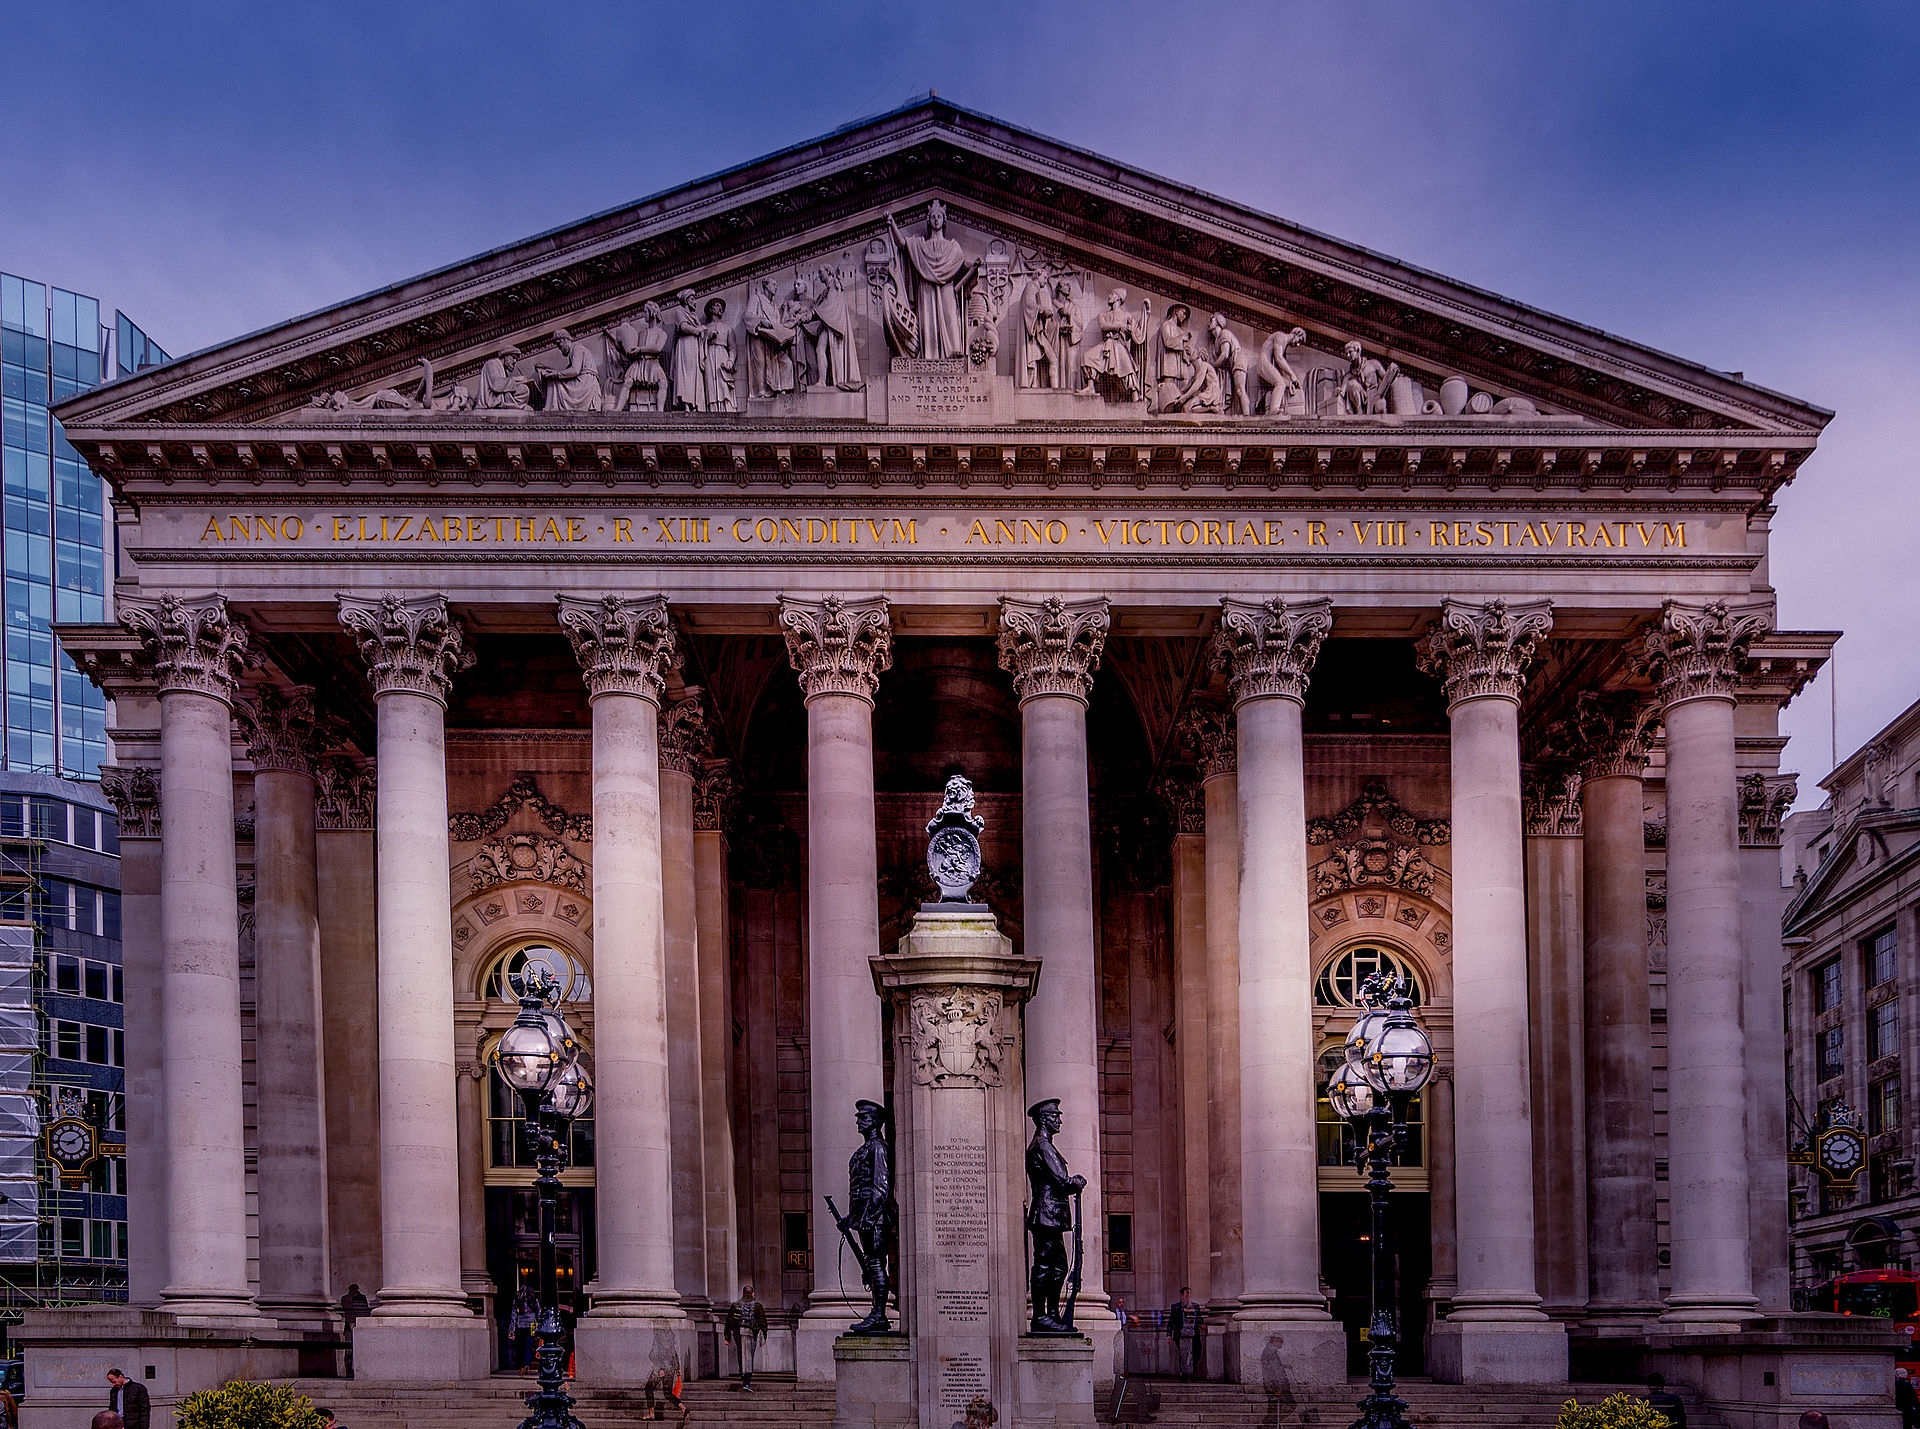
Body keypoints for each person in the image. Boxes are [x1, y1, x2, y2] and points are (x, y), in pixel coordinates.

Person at [1025, 1098, 1086, 1333]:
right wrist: (1077, 1181)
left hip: (1053, 1216)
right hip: (1045, 1215)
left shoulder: (1046, 1145)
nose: (1059, 1120)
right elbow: (1061, 1180)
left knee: (1059, 1266)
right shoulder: (1042, 1145)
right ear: (1043, 1119)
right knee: (1044, 1265)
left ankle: (1051, 1314)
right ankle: (1040, 1316)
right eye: (1055, 1116)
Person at [885, 201, 977, 359]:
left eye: (939, 217)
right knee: (928, 322)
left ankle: (953, 352)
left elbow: (963, 264)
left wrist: (973, 265)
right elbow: (901, 243)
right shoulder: (920, 245)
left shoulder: (952, 247)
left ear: (944, 220)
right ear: (929, 220)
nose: (936, 219)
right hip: (926, 288)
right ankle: (930, 355)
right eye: (933, 217)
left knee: (950, 317)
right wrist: (892, 223)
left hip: (947, 288)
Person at [723, 1283, 768, 1392]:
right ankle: (747, 1381)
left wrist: (727, 1337)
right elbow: (763, 1323)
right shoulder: (758, 1306)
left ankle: (742, 1374)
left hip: (738, 1332)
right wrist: (764, 1338)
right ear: (753, 1294)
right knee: (749, 1356)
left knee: (741, 1352)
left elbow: (729, 1321)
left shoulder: (735, 1305)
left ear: (742, 1293)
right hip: (752, 1333)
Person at [1168, 1286, 1203, 1380]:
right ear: (1182, 1295)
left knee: (1196, 1351)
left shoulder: (1195, 1306)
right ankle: (1184, 1373)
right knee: (1184, 1353)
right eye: (1186, 1293)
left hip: (1194, 1334)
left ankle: (1191, 1370)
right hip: (1180, 1334)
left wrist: (1202, 1325)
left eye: (1189, 1293)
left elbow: (1199, 1319)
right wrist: (1168, 1335)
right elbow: (1171, 1321)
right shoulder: (1175, 1307)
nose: (1188, 1295)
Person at [508, 1284, 539, 1372]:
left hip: (521, 1325)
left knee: (521, 1346)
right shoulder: (534, 1301)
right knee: (529, 1346)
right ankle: (527, 1364)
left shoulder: (517, 1301)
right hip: (533, 1325)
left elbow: (513, 1316)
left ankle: (522, 1365)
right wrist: (539, 1327)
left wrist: (511, 1329)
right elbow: (538, 1314)